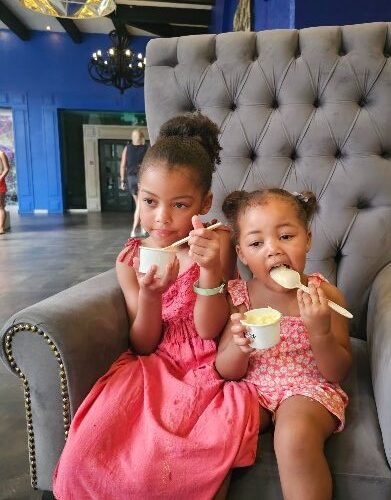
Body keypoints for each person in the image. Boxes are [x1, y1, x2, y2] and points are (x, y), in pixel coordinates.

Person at [53, 114, 260, 500]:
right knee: (88, 452)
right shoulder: (130, 260)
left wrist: (211, 272)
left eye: (179, 205)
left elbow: (207, 332)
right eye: (150, 202)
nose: (161, 217)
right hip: (152, 365)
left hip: (206, 363)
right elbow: (144, 345)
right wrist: (149, 297)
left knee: (175, 463)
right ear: (138, 196)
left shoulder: (215, 243)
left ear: (204, 203)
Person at [216, 188, 351, 500]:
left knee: (293, 436)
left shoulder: (325, 297)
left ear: (308, 239)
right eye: (256, 243)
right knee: (220, 426)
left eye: (286, 236)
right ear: (241, 254)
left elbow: (337, 371)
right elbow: (226, 370)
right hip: (253, 387)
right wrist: (239, 347)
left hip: (307, 387)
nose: (273, 250)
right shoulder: (239, 298)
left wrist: (320, 331)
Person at [119, 129, 149, 237]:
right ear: (142, 137)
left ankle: (142, 228)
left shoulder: (127, 148)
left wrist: (122, 180)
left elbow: (123, 165)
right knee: (140, 205)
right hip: (141, 178)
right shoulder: (146, 148)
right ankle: (134, 230)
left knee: (139, 204)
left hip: (131, 179)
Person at [0, 150, 10, 235]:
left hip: (0, 182)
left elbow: (6, 168)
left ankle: (1, 228)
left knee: (0, 206)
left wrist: (0, 178)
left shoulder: (1, 153)